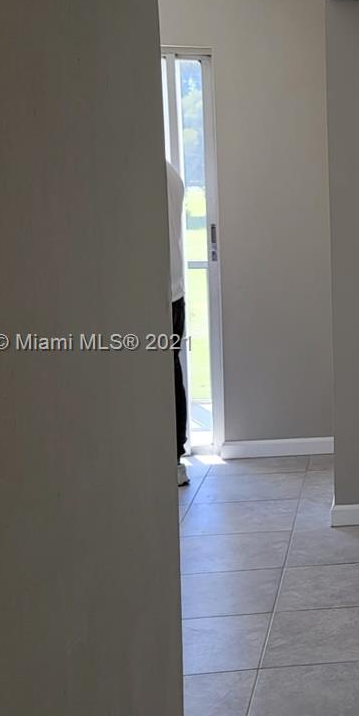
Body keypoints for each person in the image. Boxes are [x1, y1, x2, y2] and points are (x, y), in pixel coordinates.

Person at [166, 162, 189, 486]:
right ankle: (175, 460)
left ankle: (171, 461)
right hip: (174, 293)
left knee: (167, 376)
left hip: (156, 295)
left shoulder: (141, 170)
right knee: (171, 373)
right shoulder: (170, 172)